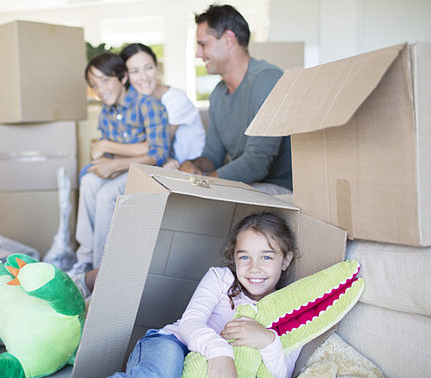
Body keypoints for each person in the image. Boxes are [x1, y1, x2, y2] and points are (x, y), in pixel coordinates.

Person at [34, 212, 300, 378]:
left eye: (267, 257)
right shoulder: (220, 279)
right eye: (245, 257)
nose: (254, 268)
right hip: (171, 345)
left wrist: (268, 340)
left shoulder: (287, 310)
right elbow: (191, 322)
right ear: (234, 257)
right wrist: (220, 352)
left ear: (286, 260)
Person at [70, 52, 170, 290]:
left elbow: (158, 154)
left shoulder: (147, 105)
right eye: (94, 85)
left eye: (105, 80)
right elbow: (106, 150)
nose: (100, 89)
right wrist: (104, 161)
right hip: (123, 169)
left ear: (122, 78)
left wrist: (114, 163)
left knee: (107, 195)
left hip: (147, 171)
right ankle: (83, 261)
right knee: (89, 181)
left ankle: (100, 269)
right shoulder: (106, 111)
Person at [179, 4, 292, 196]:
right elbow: (213, 156)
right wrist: (192, 165)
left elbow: (257, 163)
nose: (198, 54)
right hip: (248, 185)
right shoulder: (217, 94)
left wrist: (203, 184)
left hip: (279, 187)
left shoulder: (267, 80)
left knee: (207, 198)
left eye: (203, 44)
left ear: (229, 39)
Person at [119, 43, 205, 168]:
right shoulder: (133, 102)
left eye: (148, 68)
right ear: (126, 76)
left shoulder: (176, 98)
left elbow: (158, 146)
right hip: (159, 165)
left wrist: (109, 148)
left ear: (157, 68)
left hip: (191, 169)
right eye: (135, 71)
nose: (144, 77)